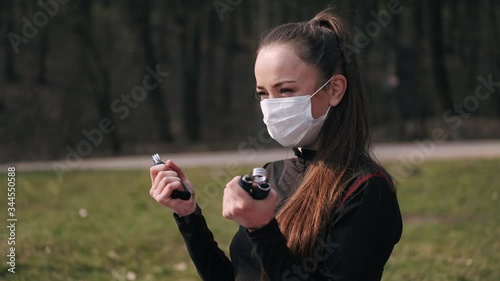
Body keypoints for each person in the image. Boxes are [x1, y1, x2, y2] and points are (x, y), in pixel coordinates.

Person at [149, 8, 403, 281]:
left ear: (334, 90)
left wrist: (261, 229)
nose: (272, 106)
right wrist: (189, 217)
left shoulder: (365, 190)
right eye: (263, 94)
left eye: (285, 91)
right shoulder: (271, 175)